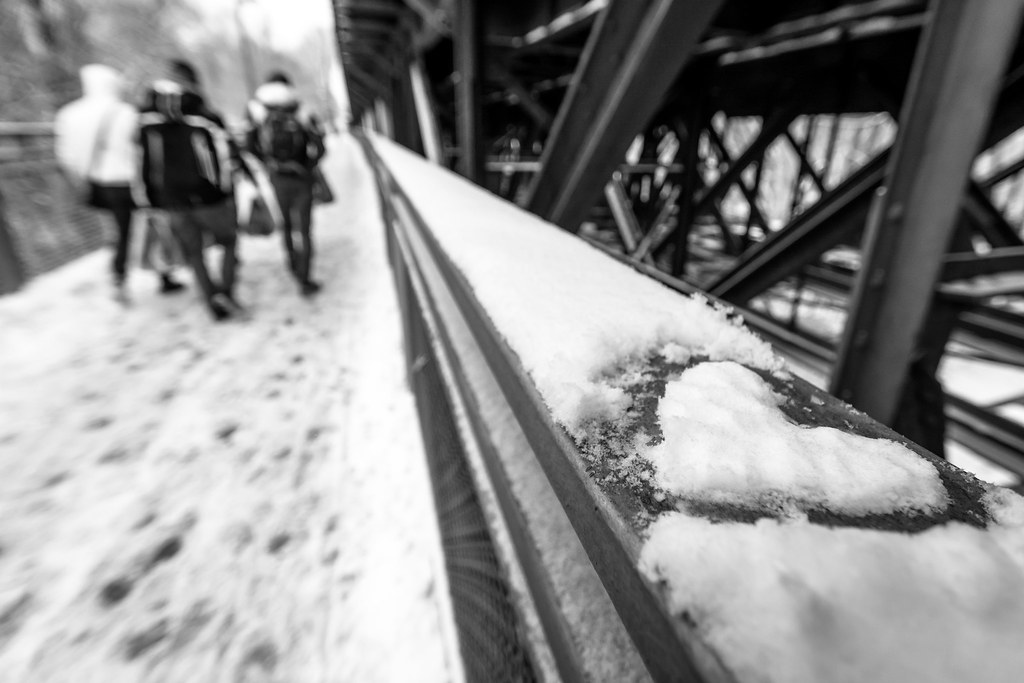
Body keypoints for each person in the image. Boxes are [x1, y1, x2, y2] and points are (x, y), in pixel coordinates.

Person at [54, 64, 184, 300]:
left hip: (101, 184)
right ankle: (163, 274)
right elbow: (140, 149)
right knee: (152, 225)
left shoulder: (68, 115)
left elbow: (66, 157)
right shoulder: (126, 113)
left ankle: (119, 278)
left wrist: (82, 179)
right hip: (133, 182)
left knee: (121, 231)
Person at [137, 60, 249, 320]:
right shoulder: (206, 116)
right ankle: (227, 293)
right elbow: (228, 155)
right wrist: (228, 187)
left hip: (172, 201)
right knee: (229, 242)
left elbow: (142, 162)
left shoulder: (147, 121)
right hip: (210, 198)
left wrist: (151, 199)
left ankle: (212, 303)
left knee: (193, 252)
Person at [245, 71, 326, 296]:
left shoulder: (257, 109)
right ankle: (305, 278)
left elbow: (249, 146)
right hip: (302, 177)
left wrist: (269, 164)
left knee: (287, 226)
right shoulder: (301, 108)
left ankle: (291, 262)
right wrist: (307, 166)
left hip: (277, 179)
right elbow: (320, 146)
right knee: (305, 229)